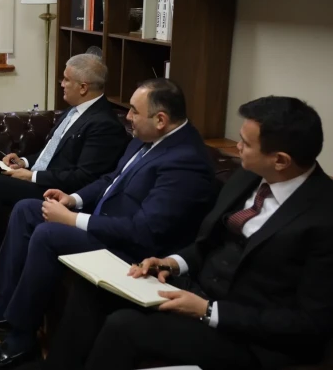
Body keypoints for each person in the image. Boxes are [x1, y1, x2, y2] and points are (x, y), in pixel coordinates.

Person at [0, 78, 219, 370]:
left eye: (133, 111)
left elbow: (143, 231)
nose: (128, 117)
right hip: (106, 222)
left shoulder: (185, 162)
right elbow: (111, 179)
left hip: (133, 250)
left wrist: (73, 220)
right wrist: (74, 199)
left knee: (49, 234)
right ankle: (0, 313)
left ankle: (21, 338)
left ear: (161, 120)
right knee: (28, 209)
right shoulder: (146, 137)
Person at [47, 96, 333, 370]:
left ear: (280, 160)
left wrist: (209, 311)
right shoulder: (248, 177)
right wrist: (171, 263)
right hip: (193, 289)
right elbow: (209, 242)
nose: (237, 148)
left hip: (246, 335)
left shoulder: (323, 218)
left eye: (245, 144)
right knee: (93, 287)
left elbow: (310, 323)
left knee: (124, 327)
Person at [0, 54, 130, 289]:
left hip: (57, 190)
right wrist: (24, 162)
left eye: (66, 79)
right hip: (40, 176)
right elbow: (51, 151)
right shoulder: (74, 110)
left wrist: (33, 176)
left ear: (83, 87)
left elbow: (83, 177)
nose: (61, 83)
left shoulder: (104, 124)